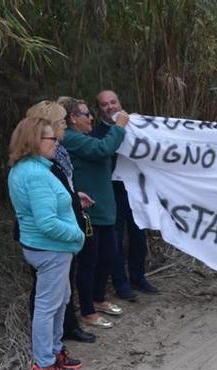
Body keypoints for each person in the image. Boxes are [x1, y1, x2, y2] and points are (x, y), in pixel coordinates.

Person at [7, 117, 85, 370]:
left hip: (50, 248)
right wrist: (77, 234)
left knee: (59, 300)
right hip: (51, 249)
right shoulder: (36, 174)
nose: (56, 143)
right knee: (47, 306)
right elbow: (47, 222)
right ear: (34, 141)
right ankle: (43, 364)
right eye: (51, 139)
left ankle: (53, 351)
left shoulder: (32, 169)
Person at [22, 101, 97, 343]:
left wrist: (74, 198)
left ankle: (62, 333)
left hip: (60, 231)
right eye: (63, 120)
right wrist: (75, 235)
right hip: (49, 239)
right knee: (47, 295)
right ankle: (47, 349)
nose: (66, 124)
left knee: (62, 288)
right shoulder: (39, 164)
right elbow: (45, 206)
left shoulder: (56, 152)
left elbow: (61, 189)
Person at [60, 97, 130, 328]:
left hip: (103, 208)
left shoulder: (84, 137)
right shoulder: (72, 139)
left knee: (107, 256)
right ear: (73, 119)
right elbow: (103, 149)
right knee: (89, 261)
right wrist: (119, 125)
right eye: (85, 114)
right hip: (89, 210)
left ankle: (99, 298)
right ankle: (88, 310)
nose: (90, 118)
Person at [91, 89, 157, 299]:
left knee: (139, 235)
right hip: (111, 191)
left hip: (135, 189)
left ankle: (138, 277)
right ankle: (121, 284)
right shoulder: (97, 133)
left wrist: (138, 125)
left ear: (120, 103)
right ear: (99, 109)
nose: (110, 107)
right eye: (104, 104)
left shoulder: (137, 125)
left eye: (113, 102)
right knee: (115, 239)